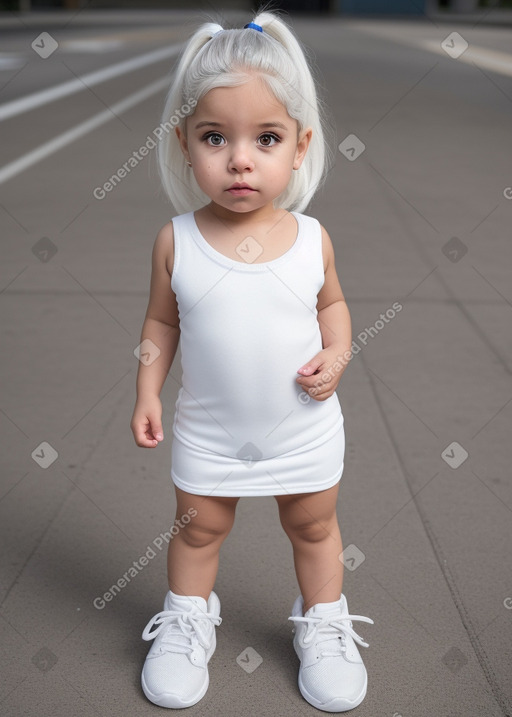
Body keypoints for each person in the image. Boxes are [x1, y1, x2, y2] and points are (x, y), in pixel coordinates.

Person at [130, 7, 374, 713]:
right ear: (184, 145)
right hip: (209, 432)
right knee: (198, 527)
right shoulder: (175, 240)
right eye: (216, 137)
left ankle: (324, 622)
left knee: (315, 526)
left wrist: (338, 350)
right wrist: (147, 387)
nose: (240, 158)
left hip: (303, 430)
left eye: (265, 138)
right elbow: (159, 319)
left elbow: (332, 305)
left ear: (299, 146)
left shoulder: (310, 238)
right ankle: (185, 618)